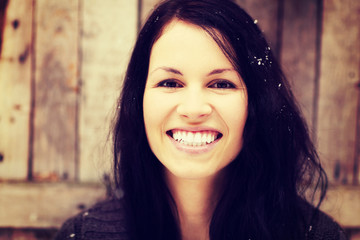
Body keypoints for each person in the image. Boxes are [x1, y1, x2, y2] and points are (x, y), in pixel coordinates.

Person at [55, 0, 347, 239]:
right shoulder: (84, 235)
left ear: (257, 103)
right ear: (138, 100)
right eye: (170, 83)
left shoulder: (316, 235)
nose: (193, 109)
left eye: (221, 84)